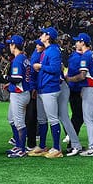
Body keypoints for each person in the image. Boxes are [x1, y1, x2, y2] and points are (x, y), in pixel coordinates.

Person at [32, 26, 64, 158]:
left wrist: (40, 66)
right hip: (42, 88)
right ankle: (42, 146)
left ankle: (57, 148)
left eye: (43, 34)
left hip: (49, 88)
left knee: (53, 119)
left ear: (48, 36)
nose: (41, 35)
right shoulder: (47, 50)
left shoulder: (54, 50)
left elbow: (56, 69)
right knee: (41, 119)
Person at [68, 32, 93, 157]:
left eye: (78, 41)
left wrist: (69, 79)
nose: (76, 43)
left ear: (82, 42)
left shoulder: (85, 56)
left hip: (90, 87)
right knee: (90, 118)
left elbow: (82, 76)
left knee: (88, 119)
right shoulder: (91, 54)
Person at [5, 35, 31, 158]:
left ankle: (21, 149)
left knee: (19, 122)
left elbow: (17, 79)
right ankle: (18, 145)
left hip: (19, 94)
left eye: (10, 44)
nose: (9, 46)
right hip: (23, 92)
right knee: (11, 118)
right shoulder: (24, 58)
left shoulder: (18, 59)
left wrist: (5, 77)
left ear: (14, 45)